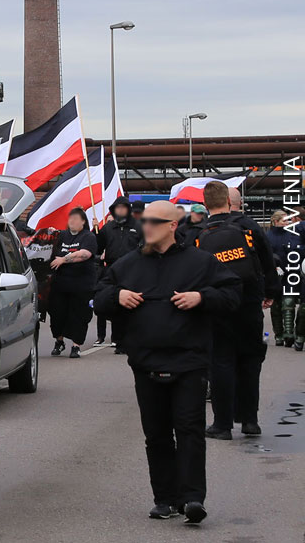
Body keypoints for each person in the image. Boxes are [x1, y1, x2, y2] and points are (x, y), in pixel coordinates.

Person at [94, 200, 240, 524]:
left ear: (172, 226)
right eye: (143, 220)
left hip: (190, 360)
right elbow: (99, 297)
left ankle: (191, 499)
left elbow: (233, 294)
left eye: (153, 221)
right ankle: (164, 499)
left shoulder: (201, 263)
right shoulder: (128, 264)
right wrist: (116, 296)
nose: (145, 226)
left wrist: (202, 297)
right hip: (145, 361)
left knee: (189, 430)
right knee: (156, 434)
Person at [198, 182, 272, 440]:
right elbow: (267, 261)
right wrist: (270, 292)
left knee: (221, 361)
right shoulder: (250, 227)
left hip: (217, 304)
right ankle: (250, 421)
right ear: (230, 203)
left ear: (205, 204)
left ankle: (222, 424)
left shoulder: (198, 232)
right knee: (251, 360)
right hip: (249, 302)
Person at [48, 208, 98, 358]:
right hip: (60, 284)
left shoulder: (88, 237)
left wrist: (64, 259)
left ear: (83, 221)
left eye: (76, 219)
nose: (73, 221)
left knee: (79, 315)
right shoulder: (62, 236)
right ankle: (59, 341)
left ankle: (76, 346)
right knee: (57, 314)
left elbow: (84, 254)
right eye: (71, 218)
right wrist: (47, 234)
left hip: (82, 285)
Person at [95, 197, 140, 347]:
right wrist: (95, 232)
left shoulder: (138, 226)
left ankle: (131, 336)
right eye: (118, 208)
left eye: (123, 207)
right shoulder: (108, 228)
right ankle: (117, 339)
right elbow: (97, 247)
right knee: (115, 302)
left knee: (132, 303)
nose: (121, 210)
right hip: (113, 268)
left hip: (133, 269)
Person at [266, 210, 302, 348]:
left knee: (288, 303)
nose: (287, 223)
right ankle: (279, 336)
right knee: (275, 306)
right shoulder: (268, 236)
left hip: (290, 273)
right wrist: (273, 267)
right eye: (284, 220)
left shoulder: (292, 235)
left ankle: (288, 334)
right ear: (276, 222)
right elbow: (265, 255)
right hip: (274, 275)